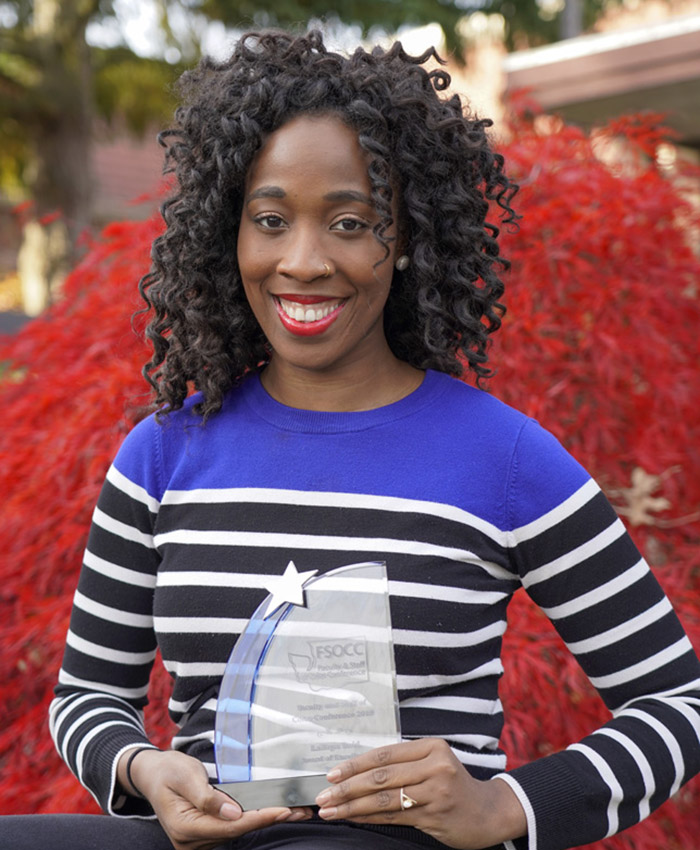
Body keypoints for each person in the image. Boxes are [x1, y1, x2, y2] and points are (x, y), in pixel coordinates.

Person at [4, 27, 700, 850]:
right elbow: (87, 700)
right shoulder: (162, 456)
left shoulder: (504, 459)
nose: (302, 261)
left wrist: (505, 806)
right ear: (231, 233)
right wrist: (143, 770)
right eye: (270, 219)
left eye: (350, 222)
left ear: (403, 241)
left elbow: (678, 706)